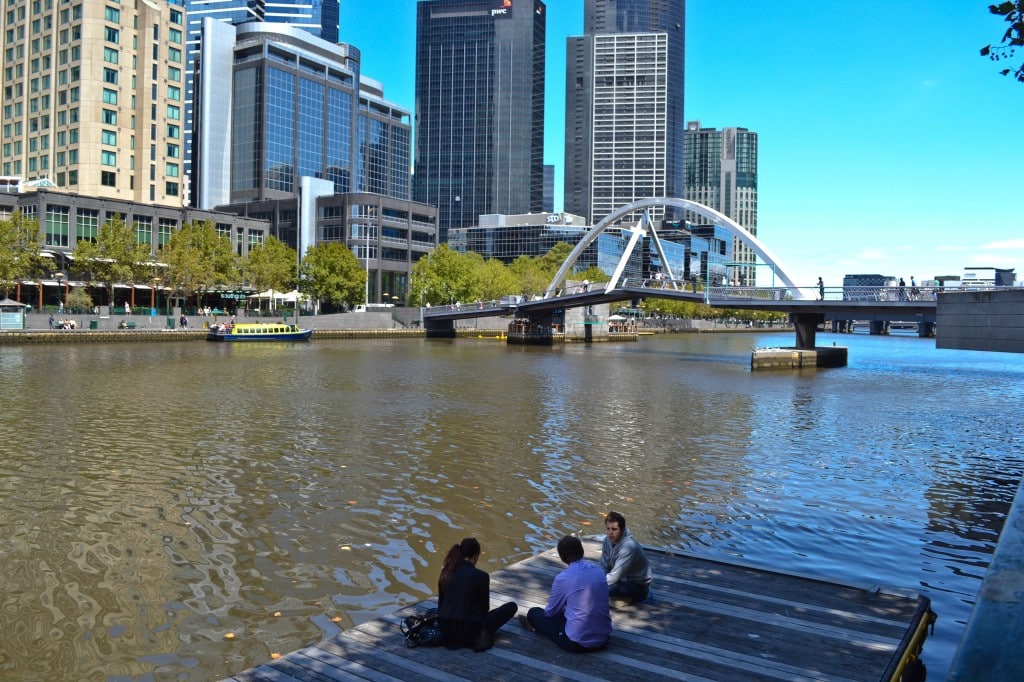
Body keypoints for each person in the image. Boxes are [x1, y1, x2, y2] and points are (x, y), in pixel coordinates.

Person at [520, 535, 611, 652]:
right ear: (582, 552)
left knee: (534, 613)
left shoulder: (563, 578)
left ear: (562, 557)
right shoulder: (599, 571)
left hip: (576, 642)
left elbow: (550, 612)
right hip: (603, 639)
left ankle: (535, 629)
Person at [437, 537, 517, 652]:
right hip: (470, 633)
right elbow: (484, 610)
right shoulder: (481, 576)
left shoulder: (445, 571)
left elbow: (441, 604)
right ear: (475, 556)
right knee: (511, 607)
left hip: (445, 628)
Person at [600, 511, 652, 606]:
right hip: (621, 578)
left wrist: (594, 585)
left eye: (614, 529)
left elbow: (614, 576)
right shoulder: (606, 541)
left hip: (637, 585)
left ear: (622, 530)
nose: (610, 533)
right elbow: (604, 566)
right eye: (608, 529)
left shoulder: (629, 547)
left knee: (606, 589)